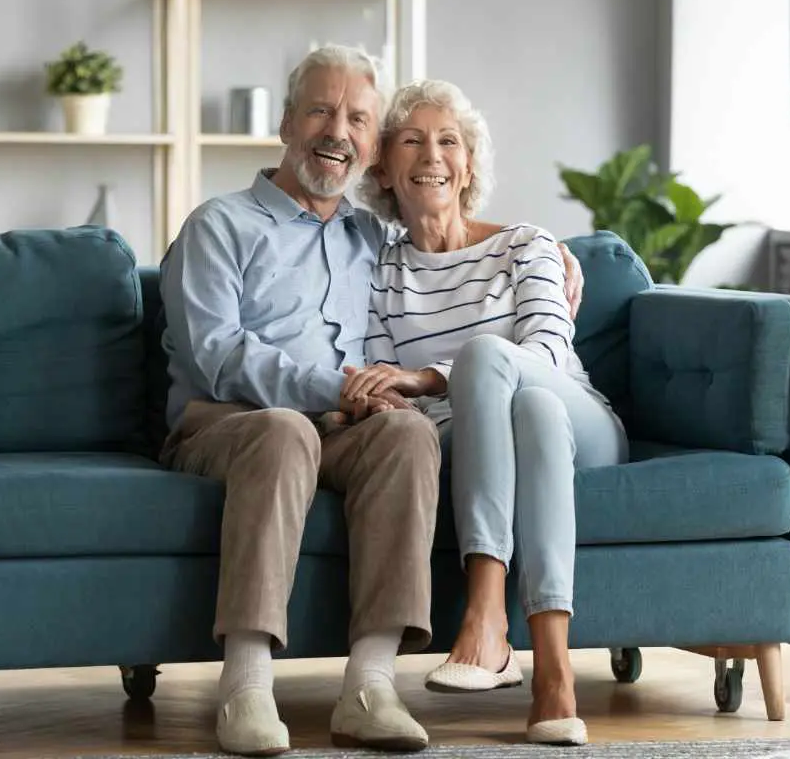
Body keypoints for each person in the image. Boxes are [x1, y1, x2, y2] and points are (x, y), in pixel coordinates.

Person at [159, 45, 583, 756]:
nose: (338, 131)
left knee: (409, 434)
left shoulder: (370, 238)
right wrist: (335, 390)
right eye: (321, 110)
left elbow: (446, 229)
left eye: (358, 118)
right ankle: (247, 686)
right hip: (227, 424)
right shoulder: (219, 225)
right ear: (288, 123)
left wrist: (562, 254)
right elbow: (216, 356)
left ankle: (371, 685)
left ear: (369, 149)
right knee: (286, 431)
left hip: (342, 426)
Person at [343, 79, 629, 747]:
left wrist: (431, 375)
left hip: (582, 421)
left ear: (470, 164)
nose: (431, 154)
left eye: (449, 140)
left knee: (507, 374)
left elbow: (550, 353)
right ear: (383, 167)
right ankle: (554, 676)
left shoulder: (525, 244)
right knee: (525, 412)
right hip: (491, 434)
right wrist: (396, 390)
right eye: (411, 139)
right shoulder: (381, 272)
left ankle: (485, 615)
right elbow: (389, 393)